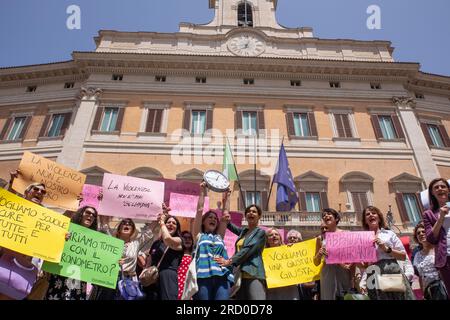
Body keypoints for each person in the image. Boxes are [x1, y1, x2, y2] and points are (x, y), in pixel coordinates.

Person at [92, 215, 159, 300]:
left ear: (132, 230)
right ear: (119, 228)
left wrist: (159, 215)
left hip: (129, 280)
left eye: (130, 224)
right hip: (110, 278)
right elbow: (104, 226)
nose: (127, 224)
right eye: (124, 223)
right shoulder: (111, 241)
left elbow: (149, 232)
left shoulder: (136, 244)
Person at [360, 205, 414, 300]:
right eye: (367, 214)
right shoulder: (362, 239)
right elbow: (364, 265)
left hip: (391, 271)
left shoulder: (389, 234)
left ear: (379, 218)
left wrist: (385, 248)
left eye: (373, 213)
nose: (371, 215)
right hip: (372, 274)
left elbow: (403, 256)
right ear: (365, 220)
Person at [45, 206, 99, 300]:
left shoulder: (95, 239)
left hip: (79, 278)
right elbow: (51, 242)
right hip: (60, 274)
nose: (90, 216)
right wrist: (62, 238)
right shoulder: (67, 228)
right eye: (88, 213)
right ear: (81, 214)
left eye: (93, 215)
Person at [192, 183, 233, 300]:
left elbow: (225, 215)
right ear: (203, 221)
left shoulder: (219, 236)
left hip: (222, 276)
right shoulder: (199, 235)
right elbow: (199, 210)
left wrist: (228, 196)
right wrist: (202, 191)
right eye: (210, 217)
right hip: (202, 277)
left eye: (215, 218)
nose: (213, 219)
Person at [216, 204, 267, 300]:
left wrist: (229, 261)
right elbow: (228, 222)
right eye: (248, 211)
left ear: (259, 216)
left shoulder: (260, 233)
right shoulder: (243, 232)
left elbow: (247, 249)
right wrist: (226, 203)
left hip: (253, 274)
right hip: (239, 276)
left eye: (254, 211)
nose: (251, 213)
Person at [313, 208, 353, 300]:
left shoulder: (346, 234)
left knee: (345, 297)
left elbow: (353, 256)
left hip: (343, 271)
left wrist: (352, 277)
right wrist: (319, 254)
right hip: (327, 271)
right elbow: (315, 262)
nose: (326, 216)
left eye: (329, 214)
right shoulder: (320, 238)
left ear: (336, 219)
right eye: (324, 216)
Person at [144, 208, 183, 300]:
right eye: (168, 222)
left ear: (177, 228)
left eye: (174, 223)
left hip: (168, 276)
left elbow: (168, 239)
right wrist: (145, 272)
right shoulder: (156, 243)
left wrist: (162, 222)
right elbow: (149, 261)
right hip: (152, 277)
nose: (170, 224)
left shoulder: (179, 241)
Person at [422, 178, 450, 297]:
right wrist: (441, 218)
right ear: (432, 193)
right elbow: (431, 238)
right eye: (436, 187)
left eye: (443, 186)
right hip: (445, 257)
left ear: (448, 189)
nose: (440, 189)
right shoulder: (428, 214)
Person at [413, 221, 448, 300]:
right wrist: (423, 295)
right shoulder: (417, 256)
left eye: (423, 231)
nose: (421, 234)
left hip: (443, 288)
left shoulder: (439, 249)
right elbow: (420, 277)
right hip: (429, 292)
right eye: (418, 233)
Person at [265, 228, 300, 300]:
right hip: (272, 288)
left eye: (276, 234)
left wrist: (293, 250)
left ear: (280, 238)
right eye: (271, 235)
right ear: (267, 240)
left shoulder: (288, 250)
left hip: (289, 288)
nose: (274, 236)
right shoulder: (263, 254)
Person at [177, 231, 194, 300]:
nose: (187, 240)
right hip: (177, 282)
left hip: (190, 284)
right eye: (185, 238)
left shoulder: (195, 254)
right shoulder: (176, 253)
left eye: (189, 238)